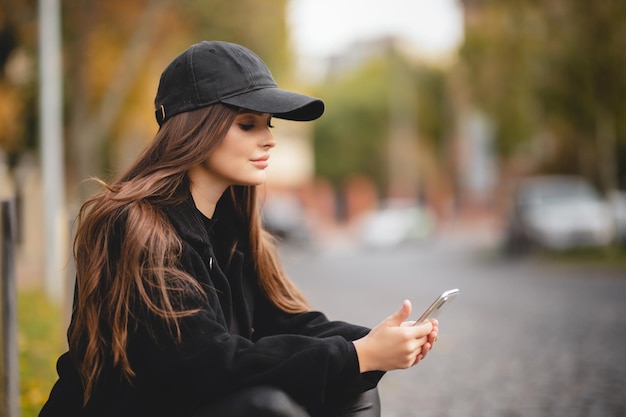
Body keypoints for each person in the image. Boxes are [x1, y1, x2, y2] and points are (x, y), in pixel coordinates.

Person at [39, 40, 439, 417]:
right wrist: (357, 355)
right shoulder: (135, 227)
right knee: (262, 406)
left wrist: (375, 341)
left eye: (269, 125)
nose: (268, 140)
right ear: (196, 128)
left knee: (352, 384)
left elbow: (283, 321)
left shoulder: (230, 227)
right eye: (247, 125)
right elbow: (203, 365)